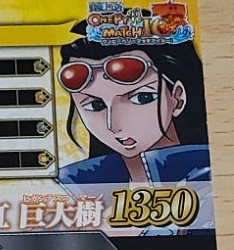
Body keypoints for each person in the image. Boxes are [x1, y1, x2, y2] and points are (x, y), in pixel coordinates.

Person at [56, 26, 210, 187]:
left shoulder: (208, 177)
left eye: (141, 98)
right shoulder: (75, 185)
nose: (114, 126)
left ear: (178, 97)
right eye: (96, 105)